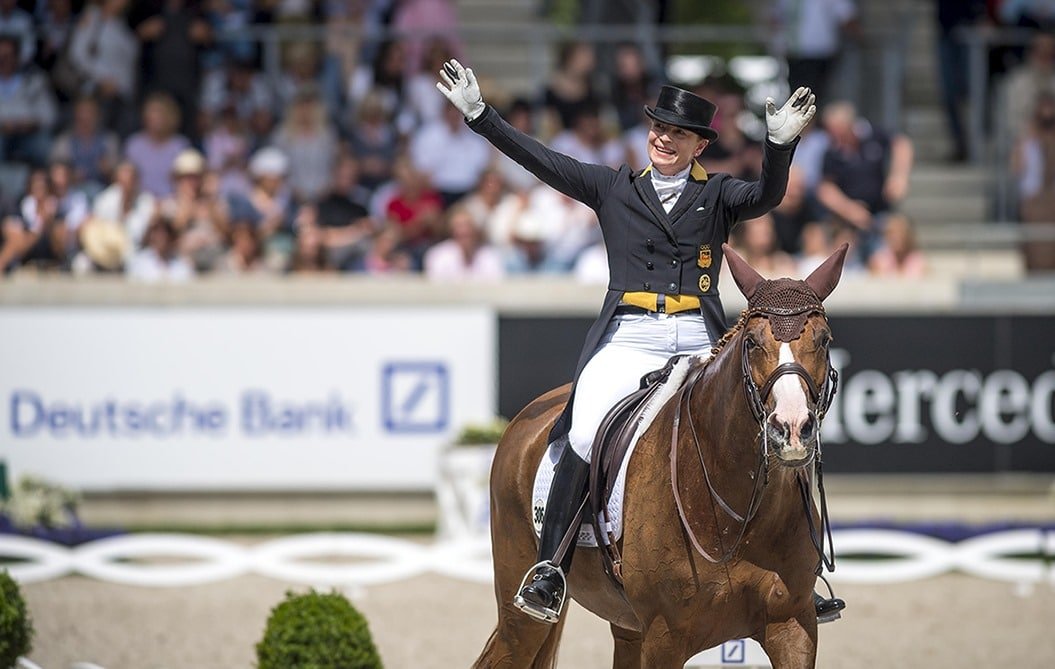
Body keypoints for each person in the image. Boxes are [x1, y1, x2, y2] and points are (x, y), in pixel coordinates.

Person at [437, 59, 843, 625]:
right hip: (630, 335)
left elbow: (768, 196)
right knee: (583, 426)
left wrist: (779, 146)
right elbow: (542, 161)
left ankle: (802, 571)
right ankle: (552, 568)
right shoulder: (614, 188)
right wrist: (482, 116)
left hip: (699, 338)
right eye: (657, 128)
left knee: (773, 421)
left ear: (699, 145)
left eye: (677, 133)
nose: (662, 138)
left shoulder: (719, 194)